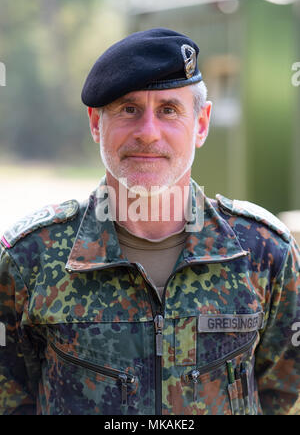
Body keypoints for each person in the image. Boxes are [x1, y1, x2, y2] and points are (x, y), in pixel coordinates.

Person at [0, 28, 299, 416]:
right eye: (128, 109)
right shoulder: (30, 260)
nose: (148, 133)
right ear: (95, 123)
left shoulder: (264, 252)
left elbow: (281, 395)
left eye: (169, 110)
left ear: (202, 124)